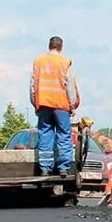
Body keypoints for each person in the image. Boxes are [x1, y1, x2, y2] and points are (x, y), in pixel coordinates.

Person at [29, 37, 80, 176]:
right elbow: (69, 85)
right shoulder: (65, 62)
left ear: (49, 46)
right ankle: (63, 167)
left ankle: (45, 168)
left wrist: (35, 103)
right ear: (61, 47)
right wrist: (72, 105)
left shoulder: (38, 62)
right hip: (61, 104)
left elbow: (32, 86)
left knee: (45, 134)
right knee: (64, 134)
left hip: (44, 104)